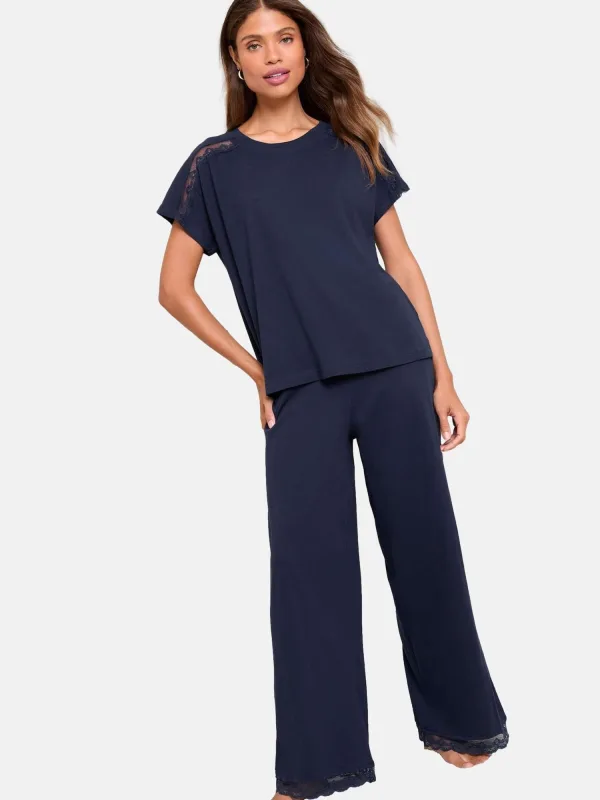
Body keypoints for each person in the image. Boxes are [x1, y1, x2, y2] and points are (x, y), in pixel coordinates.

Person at [156, 2, 509, 798]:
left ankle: (461, 721)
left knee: (424, 546)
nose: (272, 54)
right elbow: (173, 290)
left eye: (285, 38)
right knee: (308, 572)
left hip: (394, 366)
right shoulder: (215, 164)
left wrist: (443, 376)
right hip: (299, 390)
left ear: (306, 51)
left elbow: (403, 266)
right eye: (254, 44)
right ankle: (318, 765)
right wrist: (255, 370)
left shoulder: (352, 144)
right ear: (236, 62)